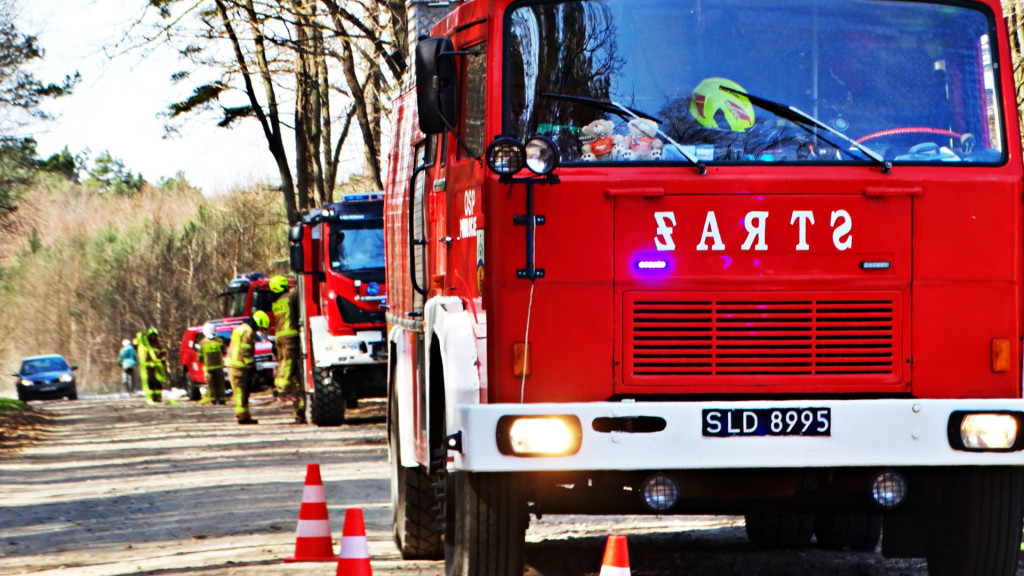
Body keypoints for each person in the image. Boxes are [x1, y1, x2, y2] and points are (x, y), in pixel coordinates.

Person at [269, 274, 305, 423]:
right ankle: (281, 386)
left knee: (291, 370)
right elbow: (300, 290)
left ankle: (299, 412)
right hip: (290, 336)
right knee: (289, 361)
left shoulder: (276, 302)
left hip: (279, 337)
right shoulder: (289, 297)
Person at [226, 311, 268, 425]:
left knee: (240, 391)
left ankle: (244, 415)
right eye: (260, 327)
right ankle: (242, 417)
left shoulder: (240, 328)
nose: (258, 330)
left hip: (234, 364)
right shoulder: (248, 331)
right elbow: (246, 350)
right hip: (238, 365)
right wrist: (251, 366)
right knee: (241, 392)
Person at [198, 323, 227, 405]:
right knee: (220, 383)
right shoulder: (220, 341)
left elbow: (200, 356)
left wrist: (201, 360)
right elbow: (224, 351)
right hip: (219, 367)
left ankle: (213, 400)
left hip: (208, 368)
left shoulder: (203, 343)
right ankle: (222, 399)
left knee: (211, 384)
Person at [139, 328, 169, 404]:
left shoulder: (160, 345)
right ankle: (152, 397)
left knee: (158, 382)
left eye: (154, 335)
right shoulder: (145, 345)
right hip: (149, 368)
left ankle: (158, 397)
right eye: (151, 335)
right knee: (150, 382)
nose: (153, 337)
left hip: (157, 368)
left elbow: (164, 354)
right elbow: (137, 346)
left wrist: (162, 360)